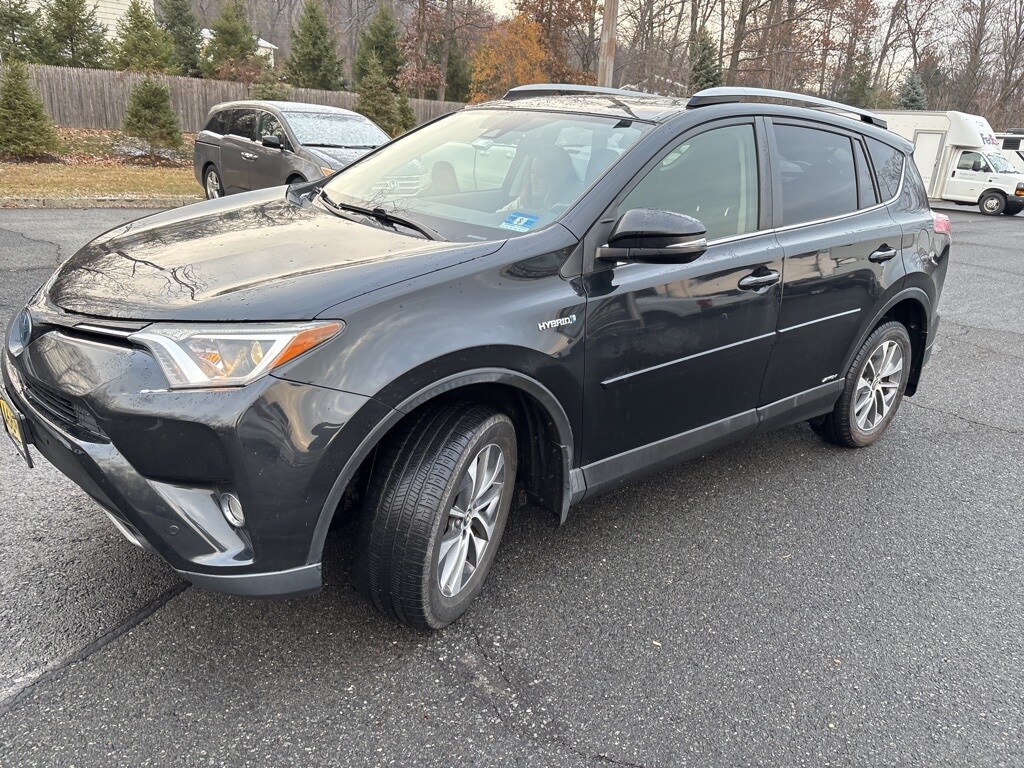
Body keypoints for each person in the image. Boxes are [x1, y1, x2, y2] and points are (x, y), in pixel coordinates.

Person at [501, 146, 578, 213]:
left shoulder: (569, 210)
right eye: (532, 172)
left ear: (557, 179)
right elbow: (496, 218)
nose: (533, 181)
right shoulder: (522, 202)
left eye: (541, 175)